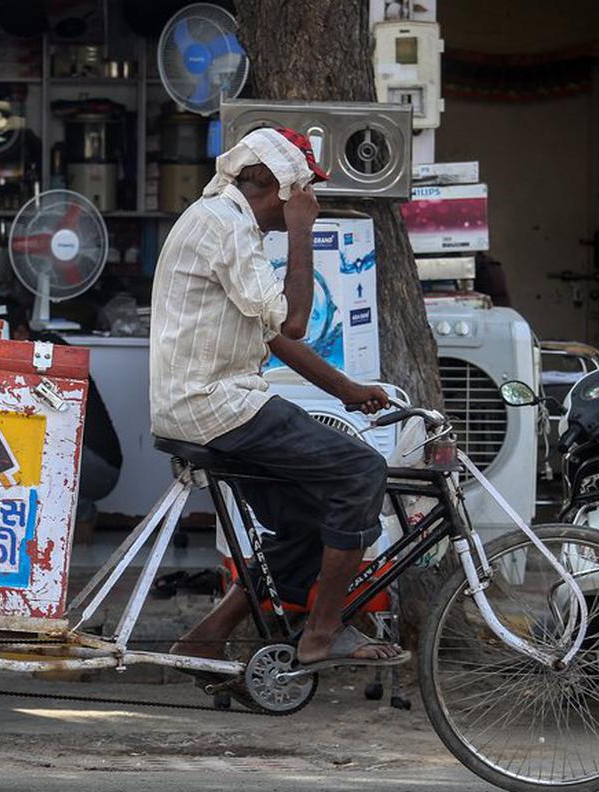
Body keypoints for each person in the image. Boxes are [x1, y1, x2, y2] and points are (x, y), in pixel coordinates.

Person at [149, 128, 408, 673]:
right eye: (302, 193)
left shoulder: (226, 223)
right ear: (272, 186)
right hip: (217, 405)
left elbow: (274, 337)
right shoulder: (225, 225)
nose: (308, 203)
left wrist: (348, 391)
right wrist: (301, 233)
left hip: (212, 403)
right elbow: (293, 319)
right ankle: (322, 631)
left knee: (310, 521)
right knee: (361, 471)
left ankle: (207, 636)